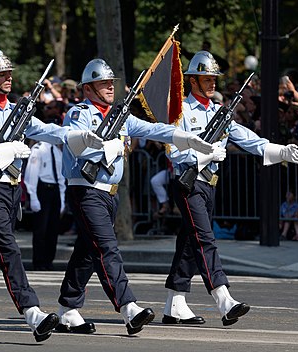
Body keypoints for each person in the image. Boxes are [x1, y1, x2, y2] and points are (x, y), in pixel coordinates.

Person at [0, 48, 103, 343]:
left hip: (12, 189)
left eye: (9, 73)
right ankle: (31, 310)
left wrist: (77, 136)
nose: (8, 77)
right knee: (8, 249)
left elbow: (47, 131)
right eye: (1, 74)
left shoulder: (15, 111)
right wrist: (3, 150)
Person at [56, 58, 213, 335]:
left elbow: (153, 129)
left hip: (110, 195)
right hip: (86, 190)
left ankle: (68, 309)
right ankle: (129, 307)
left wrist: (185, 138)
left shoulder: (121, 116)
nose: (109, 88)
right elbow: (76, 147)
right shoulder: (79, 114)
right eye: (103, 84)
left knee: (86, 252)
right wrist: (110, 148)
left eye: (110, 84)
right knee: (106, 249)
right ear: (88, 88)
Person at [162, 51, 298, 327]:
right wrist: (204, 155)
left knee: (188, 245)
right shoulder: (180, 110)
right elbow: (174, 154)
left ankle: (175, 303)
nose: (212, 83)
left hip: (209, 186)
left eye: (214, 78)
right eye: (207, 78)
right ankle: (224, 299)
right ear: (192, 80)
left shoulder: (219, 112)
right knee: (205, 239)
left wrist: (281, 151)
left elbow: (248, 139)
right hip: (188, 184)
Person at [24, 136, 66, 270]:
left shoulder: (58, 152)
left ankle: (49, 260)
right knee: (40, 229)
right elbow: (31, 174)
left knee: (53, 230)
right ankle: (39, 261)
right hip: (42, 189)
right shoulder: (38, 150)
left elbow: (61, 177)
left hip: (55, 191)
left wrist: (62, 199)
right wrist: (33, 196)